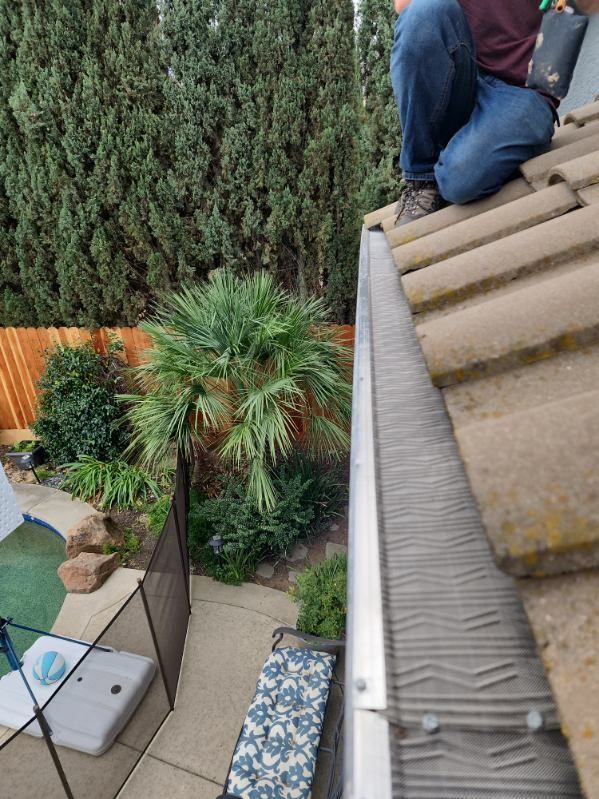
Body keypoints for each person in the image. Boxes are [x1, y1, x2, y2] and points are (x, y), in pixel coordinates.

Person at [391, 0, 599, 226]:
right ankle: (421, 181)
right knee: (423, 12)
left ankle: (497, 148)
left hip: (525, 90)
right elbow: (406, 9)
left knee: (458, 182)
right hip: (465, 72)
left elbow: (587, 5)